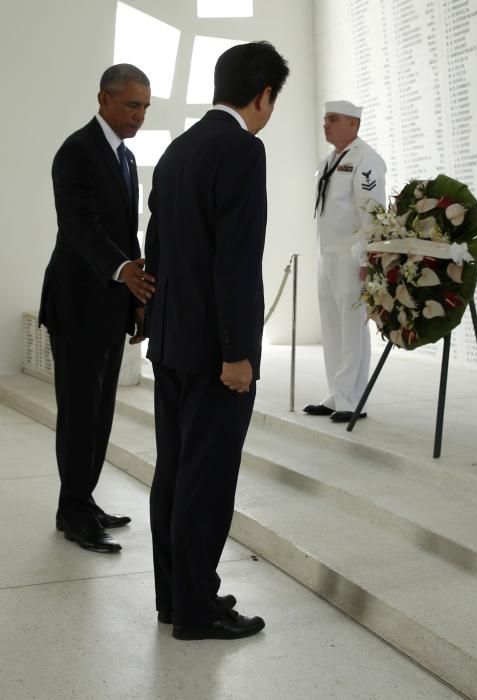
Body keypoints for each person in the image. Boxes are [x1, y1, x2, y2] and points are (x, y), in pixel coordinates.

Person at [145, 41, 289, 640]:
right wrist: (238, 353)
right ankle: (199, 611)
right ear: (263, 96)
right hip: (214, 353)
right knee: (207, 478)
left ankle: (177, 598)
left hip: (172, 342)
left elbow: (156, 244)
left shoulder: (178, 148)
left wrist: (154, 326)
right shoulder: (242, 149)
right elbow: (235, 261)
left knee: (175, 470)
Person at [39, 64, 156, 553]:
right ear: (104, 99)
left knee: (102, 410)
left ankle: (83, 499)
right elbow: (78, 226)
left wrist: (133, 302)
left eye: (145, 108)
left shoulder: (125, 159)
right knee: (79, 412)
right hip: (77, 304)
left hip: (109, 305)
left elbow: (126, 236)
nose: (139, 117)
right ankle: (73, 511)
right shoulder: (77, 151)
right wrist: (124, 271)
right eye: (132, 106)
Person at [304, 100, 386, 423]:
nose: (325, 124)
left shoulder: (366, 160)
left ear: (353, 124)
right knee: (332, 325)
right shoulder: (329, 161)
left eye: (333, 119)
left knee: (352, 327)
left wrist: (368, 257)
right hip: (327, 254)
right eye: (324, 119)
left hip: (351, 256)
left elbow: (372, 212)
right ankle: (336, 392)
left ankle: (353, 397)